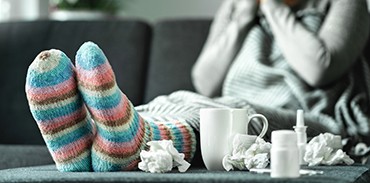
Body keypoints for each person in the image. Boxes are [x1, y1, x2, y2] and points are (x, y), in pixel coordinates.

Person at [25, 0, 370, 172]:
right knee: (173, 98)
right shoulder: (238, 7)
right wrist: (239, 20)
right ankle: (90, 148)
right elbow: (204, 79)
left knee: (223, 110)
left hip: (303, 123)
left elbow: (319, 68)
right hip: (230, 107)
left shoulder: (343, 4)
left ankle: (135, 142)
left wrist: (273, 8)